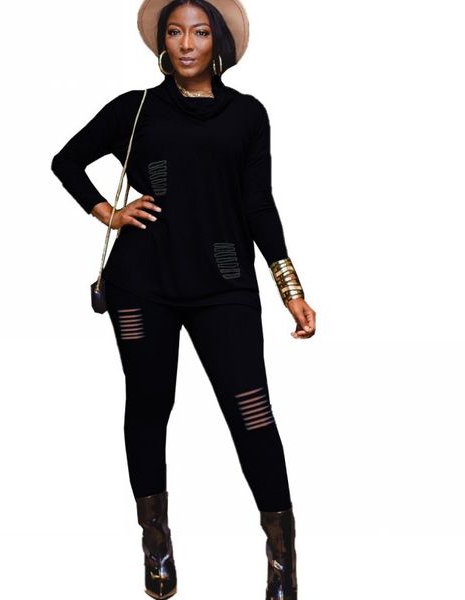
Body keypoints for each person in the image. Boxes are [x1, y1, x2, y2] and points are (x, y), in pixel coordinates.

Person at [51, 0, 316, 598]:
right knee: (149, 405)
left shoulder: (248, 114)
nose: (187, 43)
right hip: (142, 283)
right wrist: (109, 213)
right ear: (163, 43)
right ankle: (157, 544)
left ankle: (282, 558)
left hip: (225, 284)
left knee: (251, 411)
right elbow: (66, 162)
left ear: (218, 40)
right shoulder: (135, 109)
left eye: (199, 32)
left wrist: (290, 288)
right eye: (175, 32)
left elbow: (258, 204)